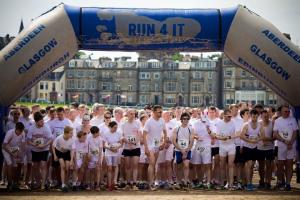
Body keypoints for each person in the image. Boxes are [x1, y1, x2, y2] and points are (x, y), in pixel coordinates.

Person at [273, 105, 298, 191]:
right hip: (281, 145)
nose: (287, 113)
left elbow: (295, 132)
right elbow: (275, 134)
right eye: (285, 111)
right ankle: (280, 182)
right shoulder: (277, 121)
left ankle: (288, 183)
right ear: (281, 112)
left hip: (291, 145)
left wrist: (290, 142)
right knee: (280, 165)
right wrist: (284, 141)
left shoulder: (293, 119)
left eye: (288, 111)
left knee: (289, 164)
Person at [143, 105, 167, 190]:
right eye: (159, 112)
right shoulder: (149, 121)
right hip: (150, 146)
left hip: (157, 145)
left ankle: (152, 182)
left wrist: (164, 142)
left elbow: (165, 132)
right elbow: (144, 135)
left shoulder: (162, 121)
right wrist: (146, 147)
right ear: (154, 112)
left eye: (161, 111)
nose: (161, 113)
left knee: (154, 164)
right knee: (152, 163)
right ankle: (150, 184)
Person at [27, 112, 52, 191]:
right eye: (41, 121)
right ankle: (38, 182)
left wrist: (44, 145)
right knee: (35, 166)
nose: (43, 122)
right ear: (36, 122)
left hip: (45, 149)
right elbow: (28, 140)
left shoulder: (46, 127)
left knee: (43, 164)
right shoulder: (32, 128)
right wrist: (34, 144)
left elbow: (50, 139)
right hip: (35, 149)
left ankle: (43, 184)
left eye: (43, 121)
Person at [241, 109, 264, 191]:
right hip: (247, 147)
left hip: (255, 147)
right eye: (253, 116)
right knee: (249, 164)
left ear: (258, 117)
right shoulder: (246, 125)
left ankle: (250, 182)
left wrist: (257, 140)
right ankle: (248, 183)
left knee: (252, 166)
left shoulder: (259, 125)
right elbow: (241, 136)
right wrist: (250, 140)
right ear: (250, 116)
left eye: (256, 117)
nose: (255, 118)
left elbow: (263, 135)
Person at [215, 109, 236, 190]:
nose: (230, 117)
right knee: (222, 165)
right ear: (224, 115)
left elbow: (237, 134)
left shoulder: (233, 122)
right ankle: (222, 184)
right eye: (228, 116)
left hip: (231, 146)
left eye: (231, 116)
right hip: (222, 146)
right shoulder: (219, 123)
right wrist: (222, 138)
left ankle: (230, 184)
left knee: (231, 164)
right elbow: (217, 135)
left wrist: (229, 137)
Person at [172, 112, 194, 188]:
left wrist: (186, 150)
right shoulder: (176, 129)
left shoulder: (190, 129)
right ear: (181, 119)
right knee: (179, 166)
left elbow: (191, 141)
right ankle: (178, 181)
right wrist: (181, 150)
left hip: (187, 150)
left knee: (186, 165)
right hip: (178, 150)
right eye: (184, 119)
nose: (186, 120)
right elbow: (174, 141)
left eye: (187, 119)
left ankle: (185, 181)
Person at [191, 111, 212, 189]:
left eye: (203, 114)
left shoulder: (209, 122)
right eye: (200, 114)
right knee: (198, 165)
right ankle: (200, 182)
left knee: (207, 165)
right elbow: (193, 134)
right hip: (198, 146)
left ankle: (208, 183)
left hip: (206, 146)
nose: (202, 116)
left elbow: (212, 134)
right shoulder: (195, 123)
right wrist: (196, 137)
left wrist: (208, 129)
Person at [121, 109, 141, 190]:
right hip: (126, 147)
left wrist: (134, 143)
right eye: (131, 114)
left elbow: (140, 135)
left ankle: (135, 184)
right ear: (127, 114)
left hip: (136, 147)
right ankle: (128, 183)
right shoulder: (123, 124)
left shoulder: (138, 123)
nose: (133, 115)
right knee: (128, 166)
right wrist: (127, 142)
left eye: (134, 114)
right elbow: (122, 135)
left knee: (135, 165)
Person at [2, 122, 26, 191]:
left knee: (15, 167)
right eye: (19, 131)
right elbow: (4, 145)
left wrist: (19, 154)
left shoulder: (22, 133)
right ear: (16, 129)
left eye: (21, 131)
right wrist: (12, 154)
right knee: (9, 165)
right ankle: (9, 184)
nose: (20, 132)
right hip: (6, 149)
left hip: (15, 149)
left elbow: (22, 144)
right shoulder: (10, 133)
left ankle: (15, 184)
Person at [52, 126, 75, 192]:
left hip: (67, 152)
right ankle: (62, 184)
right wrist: (55, 155)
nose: (72, 134)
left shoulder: (72, 139)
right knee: (63, 166)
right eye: (71, 133)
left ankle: (66, 183)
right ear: (66, 133)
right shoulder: (59, 138)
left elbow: (72, 150)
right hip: (59, 152)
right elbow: (53, 146)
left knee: (67, 168)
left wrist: (71, 161)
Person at [103, 121, 123, 191]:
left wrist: (116, 148)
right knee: (109, 168)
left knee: (114, 168)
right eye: (114, 127)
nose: (116, 129)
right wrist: (110, 148)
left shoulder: (118, 133)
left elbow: (121, 143)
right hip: (108, 153)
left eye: (116, 127)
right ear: (110, 127)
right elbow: (104, 144)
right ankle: (109, 185)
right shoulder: (106, 133)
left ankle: (113, 183)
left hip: (116, 153)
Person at [257, 110, 274, 189]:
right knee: (261, 166)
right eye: (264, 116)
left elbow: (275, 136)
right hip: (260, 148)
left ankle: (268, 182)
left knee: (269, 166)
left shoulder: (272, 123)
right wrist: (262, 139)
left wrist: (267, 139)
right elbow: (255, 135)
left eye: (267, 116)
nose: (266, 118)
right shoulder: (258, 123)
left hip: (270, 148)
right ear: (261, 116)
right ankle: (262, 181)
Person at [87, 126, 104, 191]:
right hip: (91, 156)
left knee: (98, 170)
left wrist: (99, 160)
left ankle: (97, 185)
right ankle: (91, 184)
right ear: (94, 133)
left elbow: (100, 149)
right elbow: (88, 147)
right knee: (91, 171)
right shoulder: (89, 138)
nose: (99, 133)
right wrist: (88, 154)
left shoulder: (100, 139)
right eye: (97, 132)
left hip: (98, 156)